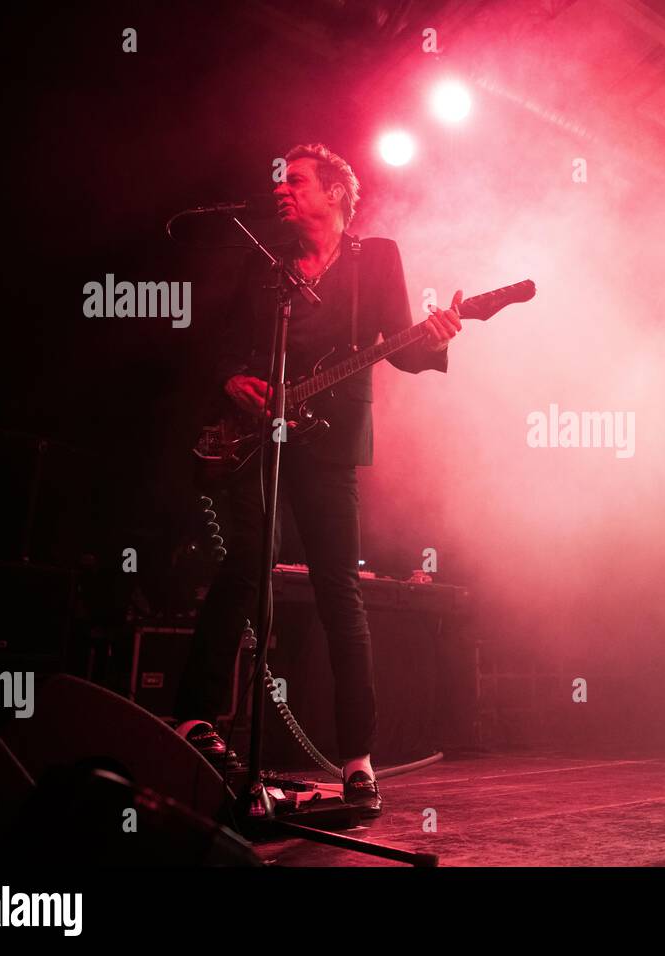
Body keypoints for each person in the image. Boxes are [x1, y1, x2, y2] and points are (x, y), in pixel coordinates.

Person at [174, 143, 463, 816]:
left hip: (330, 443)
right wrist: (230, 378)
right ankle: (195, 715)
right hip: (256, 436)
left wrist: (439, 338)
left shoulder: (376, 258)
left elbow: (402, 347)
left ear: (334, 193)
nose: (281, 189)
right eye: (278, 179)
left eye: (296, 180)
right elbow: (218, 341)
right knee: (248, 559)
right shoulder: (265, 263)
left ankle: (358, 760)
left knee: (340, 592)